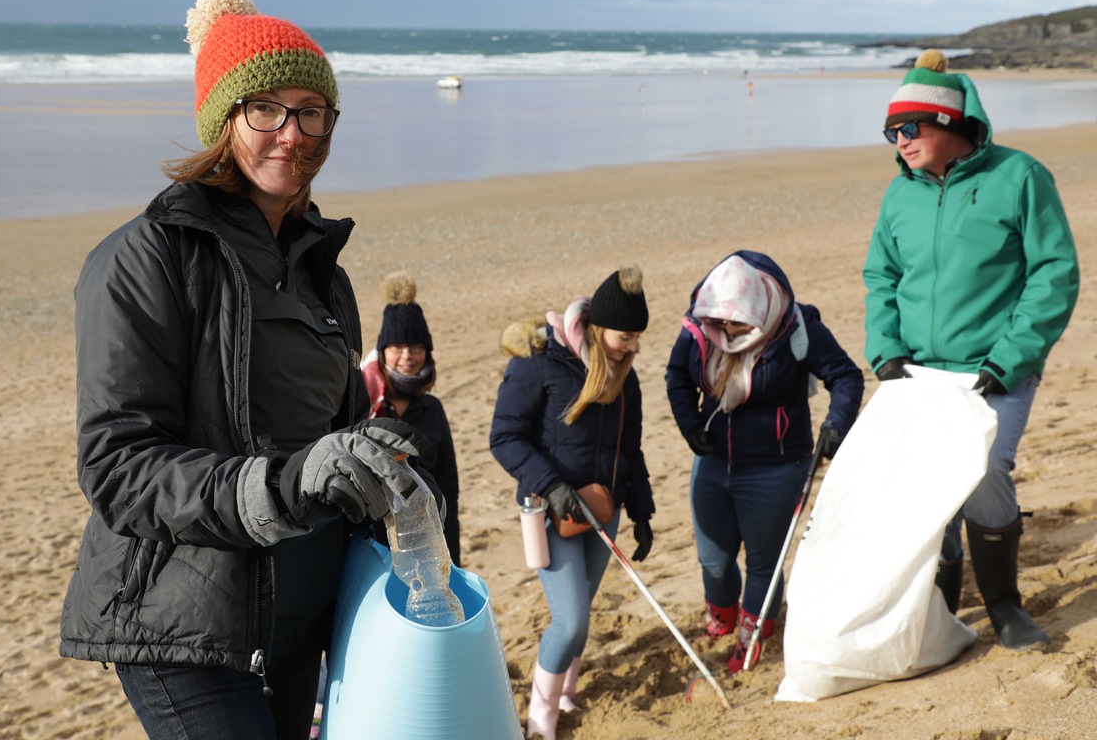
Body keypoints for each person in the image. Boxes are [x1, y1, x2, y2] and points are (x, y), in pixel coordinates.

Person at [58, 0, 434, 740]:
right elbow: (118, 468)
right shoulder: (146, 259)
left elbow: (340, 443)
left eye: (311, 110)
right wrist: (286, 483)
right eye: (264, 109)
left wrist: (397, 490)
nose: (292, 133)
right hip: (186, 628)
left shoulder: (324, 274)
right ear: (222, 121)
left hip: (298, 629)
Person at [863, 50, 1079, 650]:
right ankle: (940, 603)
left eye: (910, 128)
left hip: (997, 366)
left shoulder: (1020, 177)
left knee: (984, 474)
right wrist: (885, 352)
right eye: (892, 132)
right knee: (930, 485)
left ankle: (1006, 607)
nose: (900, 141)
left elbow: (1054, 273)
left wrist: (1009, 357)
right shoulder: (898, 195)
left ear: (949, 122)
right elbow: (880, 276)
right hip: (916, 371)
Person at [665, 250, 863, 673]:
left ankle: (752, 637)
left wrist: (835, 425)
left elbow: (845, 376)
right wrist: (689, 424)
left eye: (736, 324)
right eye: (718, 323)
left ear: (759, 312)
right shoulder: (700, 326)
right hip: (713, 462)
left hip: (777, 468)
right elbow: (677, 377)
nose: (727, 332)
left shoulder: (796, 327)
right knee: (713, 560)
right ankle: (722, 617)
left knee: (763, 566)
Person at [490, 266, 655, 740]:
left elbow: (631, 449)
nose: (634, 348)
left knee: (582, 614)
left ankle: (565, 692)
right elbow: (505, 438)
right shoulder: (538, 362)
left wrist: (641, 511)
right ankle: (541, 717)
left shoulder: (626, 378)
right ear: (599, 328)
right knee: (572, 618)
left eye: (638, 338)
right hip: (552, 511)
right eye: (627, 337)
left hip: (605, 511)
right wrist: (554, 485)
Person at [362, 271, 461, 566]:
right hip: (373, 547)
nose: (407, 356)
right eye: (397, 347)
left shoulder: (433, 409)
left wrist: (453, 559)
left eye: (416, 347)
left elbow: (449, 491)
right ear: (382, 352)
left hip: (429, 544)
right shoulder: (365, 407)